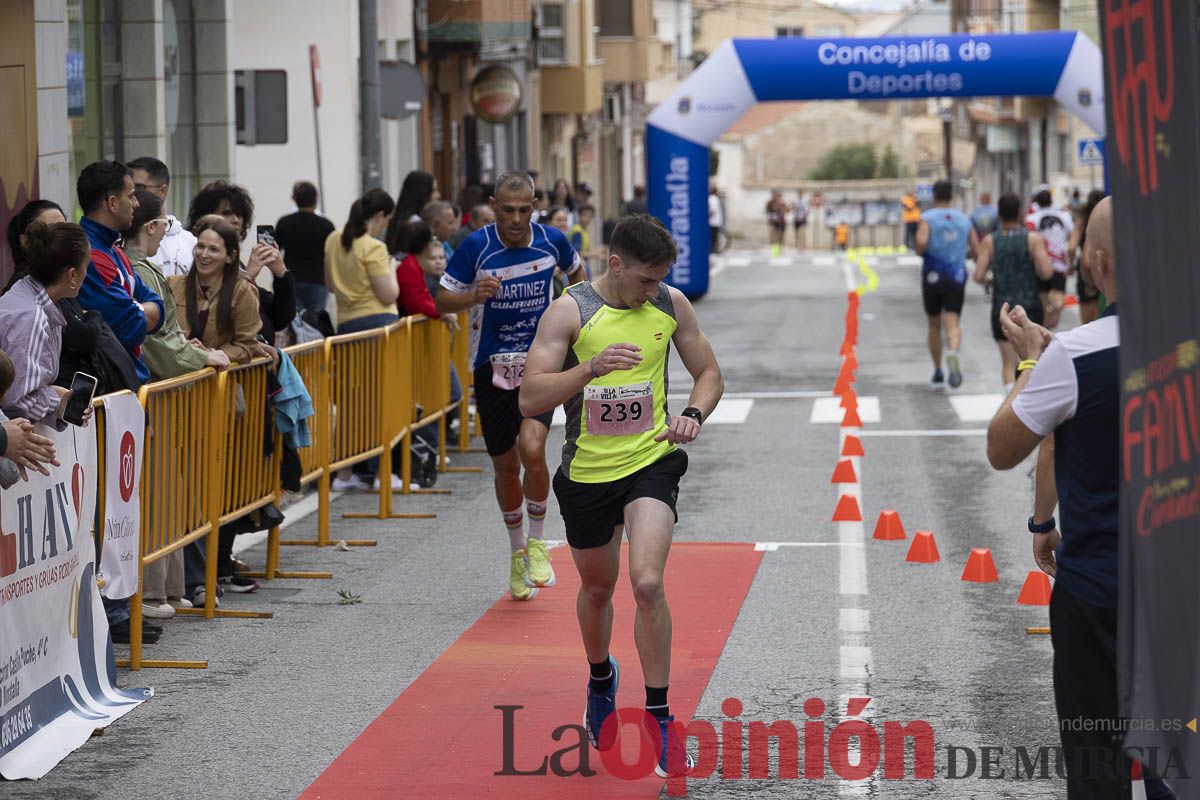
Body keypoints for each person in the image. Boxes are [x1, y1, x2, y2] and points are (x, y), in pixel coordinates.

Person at [519, 213, 724, 778]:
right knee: (597, 588)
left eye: (661, 280)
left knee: (648, 583)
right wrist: (589, 368)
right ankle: (601, 676)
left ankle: (659, 715)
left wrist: (691, 414)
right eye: (645, 280)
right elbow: (529, 398)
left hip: (650, 463)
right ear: (615, 264)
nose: (653, 290)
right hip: (587, 473)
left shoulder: (670, 305)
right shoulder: (571, 311)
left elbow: (709, 372)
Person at [986, 198, 1174, 800]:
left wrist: (1031, 363)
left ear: (1094, 264)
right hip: (1182, 590)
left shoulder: (1072, 356)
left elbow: (1003, 445)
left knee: (1099, 768)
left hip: (1099, 592)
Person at [435, 171, 584, 601]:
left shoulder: (552, 240)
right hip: (491, 366)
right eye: (508, 210)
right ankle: (517, 551)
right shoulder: (475, 246)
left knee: (533, 448)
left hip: (540, 362)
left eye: (525, 210)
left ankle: (538, 542)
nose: (517, 219)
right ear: (494, 206)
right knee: (504, 466)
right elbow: (443, 298)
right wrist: (472, 297)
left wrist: (573, 320)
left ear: (535, 206)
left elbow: (580, 278)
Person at [124, 191, 229, 619]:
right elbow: (160, 342)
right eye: (163, 224)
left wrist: (189, 350)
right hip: (156, 390)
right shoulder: (141, 270)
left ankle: (167, 588)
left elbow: (166, 338)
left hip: (159, 390)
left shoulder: (131, 267)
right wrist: (199, 355)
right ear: (150, 227)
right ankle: (154, 591)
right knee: (159, 489)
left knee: (167, 490)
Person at [170, 216, 266, 602]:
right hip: (176, 403)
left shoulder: (242, 291)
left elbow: (247, 344)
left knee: (210, 490)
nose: (204, 254)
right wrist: (187, 351)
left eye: (213, 249)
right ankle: (188, 580)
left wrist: (214, 356)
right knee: (180, 492)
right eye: (200, 246)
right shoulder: (174, 285)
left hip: (216, 404)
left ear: (229, 256)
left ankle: (206, 574)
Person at [325, 188, 400, 491]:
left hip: (346, 324)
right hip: (379, 323)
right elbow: (388, 294)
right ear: (379, 216)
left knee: (351, 401)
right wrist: (392, 269)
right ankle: (383, 472)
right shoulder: (374, 247)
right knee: (384, 399)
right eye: (386, 220)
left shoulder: (333, 239)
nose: (385, 226)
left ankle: (344, 473)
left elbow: (329, 285)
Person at [76, 160, 165, 385]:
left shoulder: (114, 250)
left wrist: (138, 307)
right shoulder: (92, 255)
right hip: (113, 387)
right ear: (113, 203)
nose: (136, 204)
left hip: (126, 382)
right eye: (132, 196)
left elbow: (157, 305)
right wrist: (140, 308)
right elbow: (131, 326)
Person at [972, 193, 1053, 391]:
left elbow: (977, 275)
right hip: (1031, 307)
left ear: (998, 215)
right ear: (1020, 214)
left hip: (1003, 309)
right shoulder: (1033, 239)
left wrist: (991, 279)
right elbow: (1046, 272)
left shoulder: (990, 241)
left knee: (1008, 363)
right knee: (1034, 358)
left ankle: (1011, 401)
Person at [916, 179, 978, 390]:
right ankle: (952, 350)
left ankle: (937, 370)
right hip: (956, 277)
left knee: (934, 324)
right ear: (951, 196)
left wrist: (923, 250)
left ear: (934, 196)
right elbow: (976, 248)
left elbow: (921, 243)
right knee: (953, 323)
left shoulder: (927, 218)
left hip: (932, 276)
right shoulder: (963, 220)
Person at [128, 156, 196, 277]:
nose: (133, 194)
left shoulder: (189, 244)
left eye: (139, 188)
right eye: (128, 188)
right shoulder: (115, 238)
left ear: (163, 191)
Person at [275, 181, 336, 312]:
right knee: (317, 323)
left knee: (296, 322)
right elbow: (332, 256)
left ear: (295, 199)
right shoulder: (326, 225)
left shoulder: (284, 222)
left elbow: (274, 251)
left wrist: (277, 277)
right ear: (315, 199)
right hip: (318, 280)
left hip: (292, 279)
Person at [1025, 187, 1074, 330]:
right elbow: (1071, 238)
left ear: (1037, 203)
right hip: (1059, 264)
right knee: (1058, 297)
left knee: (1043, 301)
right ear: (1051, 201)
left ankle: (1046, 327)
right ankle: (1053, 318)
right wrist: (1070, 261)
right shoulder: (1064, 216)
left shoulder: (1031, 219)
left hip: (1040, 266)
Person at [4, 200, 69, 293]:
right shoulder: (22, 288)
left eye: (65, 229)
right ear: (25, 241)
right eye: (51, 230)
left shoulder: (57, 273)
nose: (62, 237)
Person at [1068, 190, 1105, 325]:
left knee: (1088, 325)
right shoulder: (1107, 221)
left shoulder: (1082, 223)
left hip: (1087, 278)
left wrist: (1071, 265)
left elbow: (1072, 249)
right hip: (1105, 271)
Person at [765, 190, 788, 256]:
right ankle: (775, 252)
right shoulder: (769, 203)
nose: (776, 197)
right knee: (773, 237)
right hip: (773, 223)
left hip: (781, 223)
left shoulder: (782, 203)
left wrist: (782, 208)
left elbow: (786, 211)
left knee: (780, 238)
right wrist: (769, 220)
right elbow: (767, 211)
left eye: (778, 196)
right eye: (774, 195)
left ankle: (779, 250)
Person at [708, 185, 723, 254]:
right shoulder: (716, 198)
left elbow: (712, 211)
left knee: (713, 237)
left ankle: (713, 250)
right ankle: (715, 249)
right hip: (716, 221)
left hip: (712, 222)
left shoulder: (711, 199)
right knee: (715, 237)